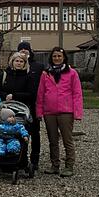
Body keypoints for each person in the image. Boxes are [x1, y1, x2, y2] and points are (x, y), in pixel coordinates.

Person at [36, 47, 82, 177]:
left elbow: (77, 93)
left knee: (67, 139)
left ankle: (69, 165)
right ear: (51, 58)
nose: (57, 58)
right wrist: (39, 112)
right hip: (49, 111)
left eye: (59, 56)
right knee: (52, 139)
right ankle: (55, 164)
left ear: (64, 58)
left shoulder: (72, 73)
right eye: (54, 56)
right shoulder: (46, 74)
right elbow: (41, 94)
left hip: (66, 111)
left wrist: (77, 112)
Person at [0, 51, 39, 170]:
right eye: (17, 60)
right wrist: (5, 95)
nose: (19, 63)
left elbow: (32, 94)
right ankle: (4, 160)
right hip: (6, 108)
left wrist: (15, 96)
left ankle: (21, 161)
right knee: (4, 133)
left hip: (22, 110)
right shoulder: (4, 75)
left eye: (21, 61)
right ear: (12, 61)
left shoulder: (29, 77)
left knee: (21, 135)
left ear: (25, 63)